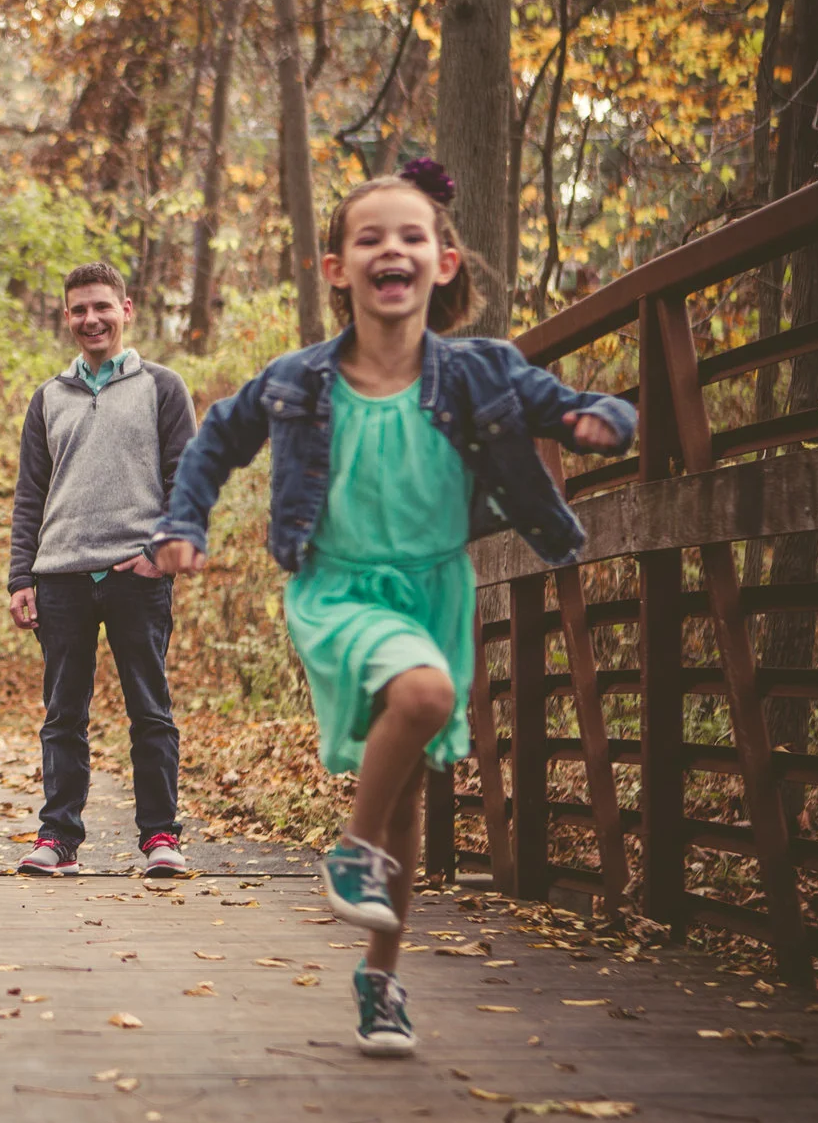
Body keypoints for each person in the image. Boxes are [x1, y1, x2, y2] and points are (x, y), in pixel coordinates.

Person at [152, 160, 635, 1056]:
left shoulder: (480, 370)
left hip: (434, 588)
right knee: (423, 699)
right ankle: (349, 846)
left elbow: (570, 406)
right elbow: (217, 438)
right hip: (338, 586)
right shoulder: (301, 379)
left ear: (443, 262)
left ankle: (381, 977)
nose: (392, 250)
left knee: (411, 786)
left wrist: (598, 422)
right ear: (336, 269)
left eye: (411, 236)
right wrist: (186, 522)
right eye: (369, 238)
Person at [7, 260, 196, 880]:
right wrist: (21, 578)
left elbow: (186, 484)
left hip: (135, 577)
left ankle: (161, 837)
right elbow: (30, 495)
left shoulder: (162, 387)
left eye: (101, 307)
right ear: (67, 317)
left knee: (150, 710)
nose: (91, 319)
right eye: (79, 309)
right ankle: (58, 838)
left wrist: (159, 556)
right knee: (64, 713)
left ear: (126, 309)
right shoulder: (48, 398)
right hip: (59, 577)